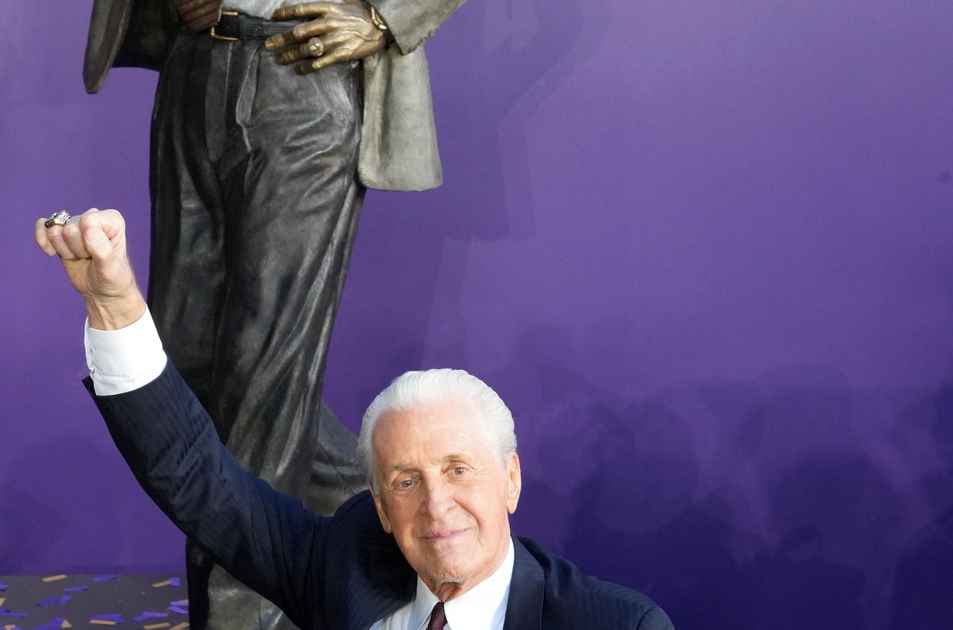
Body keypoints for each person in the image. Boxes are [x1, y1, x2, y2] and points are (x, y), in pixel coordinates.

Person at [35, 209, 676, 629]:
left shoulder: (615, 624)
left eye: (459, 470)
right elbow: (199, 481)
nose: (436, 506)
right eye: (405, 481)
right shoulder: (344, 564)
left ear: (510, 479)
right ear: (379, 503)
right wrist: (113, 305)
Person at [82, 2, 464, 625]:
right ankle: (392, 524)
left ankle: (238, 618)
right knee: (191, 370)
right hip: (193, 66)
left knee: (261, 381)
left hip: (303, 75)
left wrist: (385, 18)